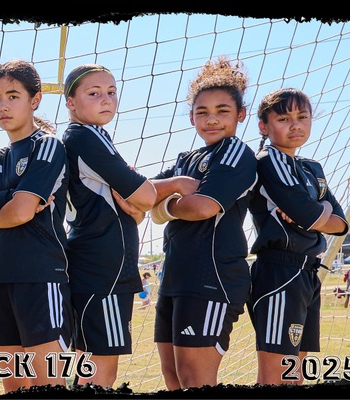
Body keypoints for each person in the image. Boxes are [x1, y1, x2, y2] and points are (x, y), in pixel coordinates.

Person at [0, 60, 71, 392]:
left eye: (12, 96)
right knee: (14, 384)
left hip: (38, 276)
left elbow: (21, 213)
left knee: (47, 384)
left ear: (34, 100)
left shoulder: (47, 146)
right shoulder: (0, 157)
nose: (3, 106)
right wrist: (7, 199)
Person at [148, 56, 257, 390]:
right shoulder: (187, 159)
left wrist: (166, 205)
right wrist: (176, 187)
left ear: (241, 114)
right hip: (175, 278)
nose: (211, 119)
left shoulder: (236, 153)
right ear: (191, 116)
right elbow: (141, 196)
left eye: (223, 111)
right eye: (202, 112)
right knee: (173, 376)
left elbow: (202, 208)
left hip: (212, 278)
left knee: (195, 379)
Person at [60, 64, 159, 388]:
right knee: (101, 371)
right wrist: (178, 185)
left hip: (95, 263)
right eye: (94, 93)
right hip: (104, 268)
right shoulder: (84, 137)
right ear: (70, 102)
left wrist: (138, 208)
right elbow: (145, 196)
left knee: (89, 365)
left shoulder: (93, 136)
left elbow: (133, 206)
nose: (106, 99)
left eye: (111, 92)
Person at [247, 88, 349, 385]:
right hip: (279, 271)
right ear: (263, 126)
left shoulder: (311, 168)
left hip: (308, 272)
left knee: (296, 374)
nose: (295, 125)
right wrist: (319, 213)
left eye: (302, 117)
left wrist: (319, 210)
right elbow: (312, 218)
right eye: (283, 119)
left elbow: (341, 223)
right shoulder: (269, 160)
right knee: (275, 377)